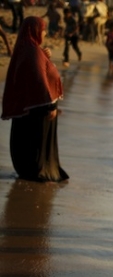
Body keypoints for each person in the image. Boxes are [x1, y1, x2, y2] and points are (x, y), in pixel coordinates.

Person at [1, 16, 69, 183]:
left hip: (32, 106)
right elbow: (39, 80)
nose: (45, 32)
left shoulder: (28, 48)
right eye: (43, 29)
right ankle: (37, 170)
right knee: (37, 141)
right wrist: (50, 106)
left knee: (30, 139)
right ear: (35, 30)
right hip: (39, 108)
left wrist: (43, 54)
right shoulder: (32, 52)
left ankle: (32, 169)